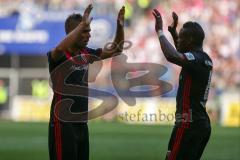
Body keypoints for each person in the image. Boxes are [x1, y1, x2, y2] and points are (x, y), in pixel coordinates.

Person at [47, 4, 125, 160]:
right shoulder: (58, 56)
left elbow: (117, 50)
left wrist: (120, 27)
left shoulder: (86, 54)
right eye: (84, 31)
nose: (89, 35)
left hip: (81, 123)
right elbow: (60, 49)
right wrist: (81, 25)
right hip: (63, 124)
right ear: (73, 33)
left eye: (89, 31)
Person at [152, 9, 212, 160]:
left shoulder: (196, 60)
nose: (179, 40)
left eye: (182, 37)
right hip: (199, 123)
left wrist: (160, 31)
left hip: (188, 124)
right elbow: (180, 52)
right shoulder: (202, 59)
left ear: (191, 39)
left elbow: (172, 55)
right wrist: (173, 33)